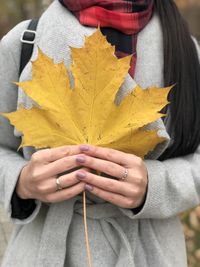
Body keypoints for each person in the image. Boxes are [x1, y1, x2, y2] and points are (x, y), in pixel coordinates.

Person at [0, 0, 200, 266]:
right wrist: (21, 181)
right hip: (46, 251)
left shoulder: (187, 51)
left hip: (148, 253)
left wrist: (155, 186)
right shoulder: (24, 41)